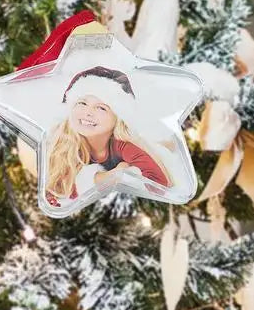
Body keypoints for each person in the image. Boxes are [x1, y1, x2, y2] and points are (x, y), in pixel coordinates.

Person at [45, 66, 172, 207]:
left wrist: (127, 174)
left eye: (101, 107)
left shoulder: (123, 145)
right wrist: (112, 176)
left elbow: (160, 184)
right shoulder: (65, 143)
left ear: (118, 117)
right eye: (82, 103)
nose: (88, 112)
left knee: (164, 145)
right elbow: (62, 189)